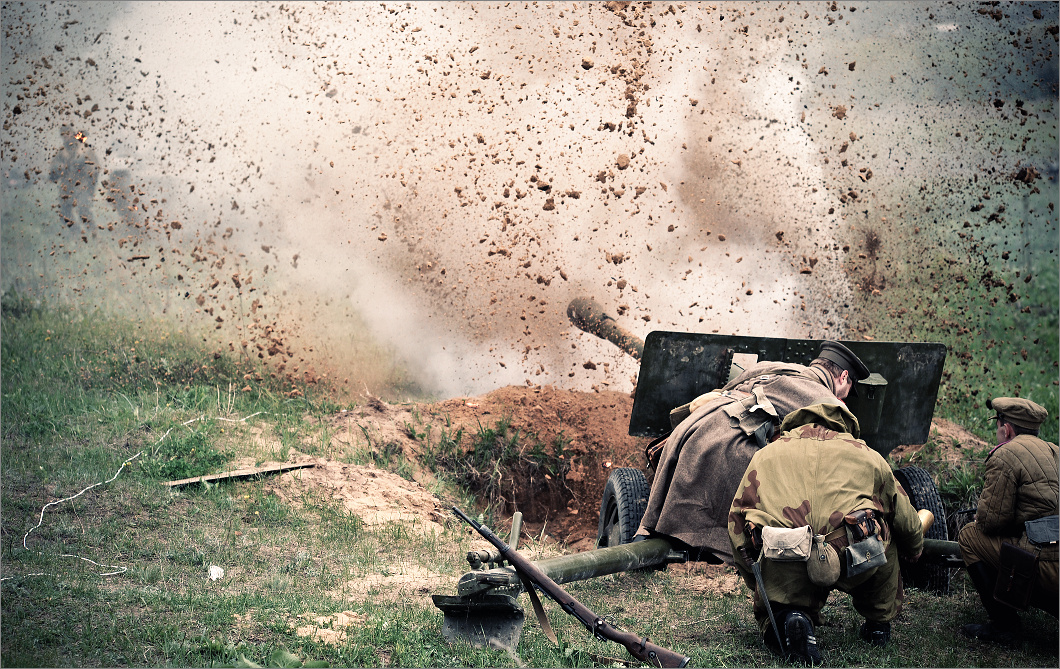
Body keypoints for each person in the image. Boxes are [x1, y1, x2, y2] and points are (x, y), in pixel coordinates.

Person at [635, 340, 870, 562]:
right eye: (848, 389)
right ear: (843, 377)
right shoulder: (824, 397)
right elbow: (847, 439)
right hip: (728, 441)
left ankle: (652, 529)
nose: (845, 396)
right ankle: (704, 545)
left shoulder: (774, 367)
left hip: (693, 428)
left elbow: (728, 388)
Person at [728, 402, 924, 664]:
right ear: (845, 426)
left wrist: (759, 580)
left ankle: (789, 618)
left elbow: (737, 523)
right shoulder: (869, 456)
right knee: (887, 535)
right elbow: (905, 517)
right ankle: (878, 623)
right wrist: (914, 548)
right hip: (853, 554)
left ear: (795, 424)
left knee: (778, 593)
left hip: (784, 552)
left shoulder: (766, 455)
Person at [957, 397, 1058, 644]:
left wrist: (981, 515)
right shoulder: (1055, 451)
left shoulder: (1007, 454)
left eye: (997, 426)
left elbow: (991, 522)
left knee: (970, 536)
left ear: (1007, 428)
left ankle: (1005, 625)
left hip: (1049, 567)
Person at [47, 125, 99, 234]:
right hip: (67, 187)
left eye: (68, 133)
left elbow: (95, 168)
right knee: (64, 214)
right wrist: (60, 168)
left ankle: (95, 236)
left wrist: (83, 166)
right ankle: (77, 236)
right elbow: (53, 170)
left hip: (82, 186)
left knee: (83, 210)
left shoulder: (83, 148)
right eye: (63, 134)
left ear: (73, 133)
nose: (66, 136)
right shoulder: (62, 152)